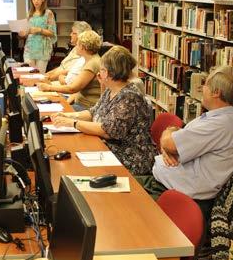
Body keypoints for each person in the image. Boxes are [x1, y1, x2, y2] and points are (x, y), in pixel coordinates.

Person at [136, 65, 233, 220]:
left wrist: (168, 140)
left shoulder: (218, 125)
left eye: (206, 85)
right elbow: (172, 142)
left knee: (121, 201)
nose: (202, 88)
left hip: (175, 194)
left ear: (216, 93)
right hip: (169, 184)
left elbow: (170, 143)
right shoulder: (224, 119)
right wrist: (169, 142)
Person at [51, 46, 157, 175]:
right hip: (109, 148)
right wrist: (68, 116)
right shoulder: (111, 89)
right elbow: (93, 112)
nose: (98, 74)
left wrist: (73, 123)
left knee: (76, 165)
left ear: (106, 73)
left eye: (101, 69)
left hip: (130, 158)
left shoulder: (129, 96)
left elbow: (107, 131)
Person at [37, 30, 101, 111]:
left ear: (82, 46)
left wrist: (49, 87)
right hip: (80, 103)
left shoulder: (92, 64)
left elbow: (72, 88)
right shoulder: (91, 60)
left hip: (86, 107)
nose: (75, 47)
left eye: (77, 44)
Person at [18, 0, 57, 73]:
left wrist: (39, 30)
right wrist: (23, 33)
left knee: (39, 76)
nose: (36, 1)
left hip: (42, 49)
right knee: (28, 75)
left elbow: (52, 33)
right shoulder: (29, 13)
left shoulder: (48, 13)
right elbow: (27, 31)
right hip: (29, 49)